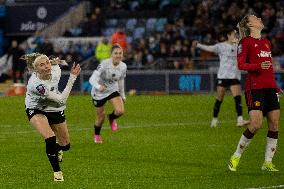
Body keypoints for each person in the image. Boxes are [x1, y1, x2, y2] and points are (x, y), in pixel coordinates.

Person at [228, 15, 283, 172]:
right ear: (250, 24)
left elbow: (269, 69)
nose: (259, 18)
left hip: (270, 88)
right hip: (255, 88)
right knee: (256, 124)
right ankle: (236, 155)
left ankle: (267, 163)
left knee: (274, 123)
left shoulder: (266, 43)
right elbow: (241, 64)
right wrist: (258, 66)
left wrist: (276, 86)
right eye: (255, 17)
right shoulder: (245, 42)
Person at [22, 53, 81, 181]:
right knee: (50, 137)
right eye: (42, 65)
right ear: (36, 69)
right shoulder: (36, 84)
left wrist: (59, 61)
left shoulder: (56, 70)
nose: (47, 67)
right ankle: (57, 173)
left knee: (66, 145)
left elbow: (58, 63)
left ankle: (58, 148)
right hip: (36, 108)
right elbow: (61, 100)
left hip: (54, 107)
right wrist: (72, 77)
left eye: (47, 63)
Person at [192, 29, 249, 128]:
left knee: (238, 98)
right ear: (228, 36)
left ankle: (240, 120)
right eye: (234, 35)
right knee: (219, 98)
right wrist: (198, 45)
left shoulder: (239, 47)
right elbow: (209, 48)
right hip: (223, 76)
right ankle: (214, 120)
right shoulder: (221, 46)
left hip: (234, 76)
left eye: (236, 35)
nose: (236, 37)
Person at [89, 44, 127, 144]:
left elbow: (121, 80)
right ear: (111, 54)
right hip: (99, 93)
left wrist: (122, 95)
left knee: (120, 111)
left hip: (112, 90)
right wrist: (98, 86)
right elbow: (92, 79)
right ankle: (97, 134)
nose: (118, 55)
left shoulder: (123, 66)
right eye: (116, 53)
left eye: (120, 53)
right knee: (100, 117)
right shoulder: (104, 64)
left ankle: (111, 118)